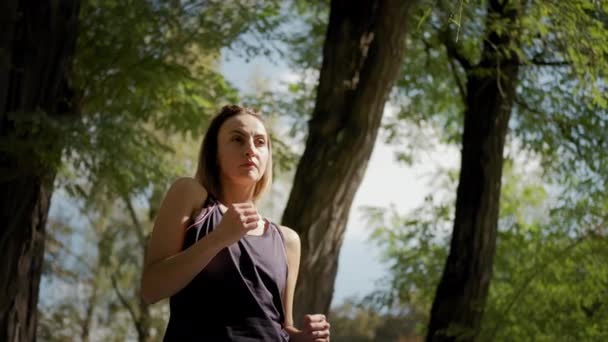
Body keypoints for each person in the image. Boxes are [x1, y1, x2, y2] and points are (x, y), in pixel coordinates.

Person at [141, 105, 331, 341]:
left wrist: (304, 336)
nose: (250, 149)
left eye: (260, 142)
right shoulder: (190, 196)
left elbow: (283, 328)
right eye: (237, 139)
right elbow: (151, 289)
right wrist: (218, 238)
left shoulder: (288, 240)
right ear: (215, 154)